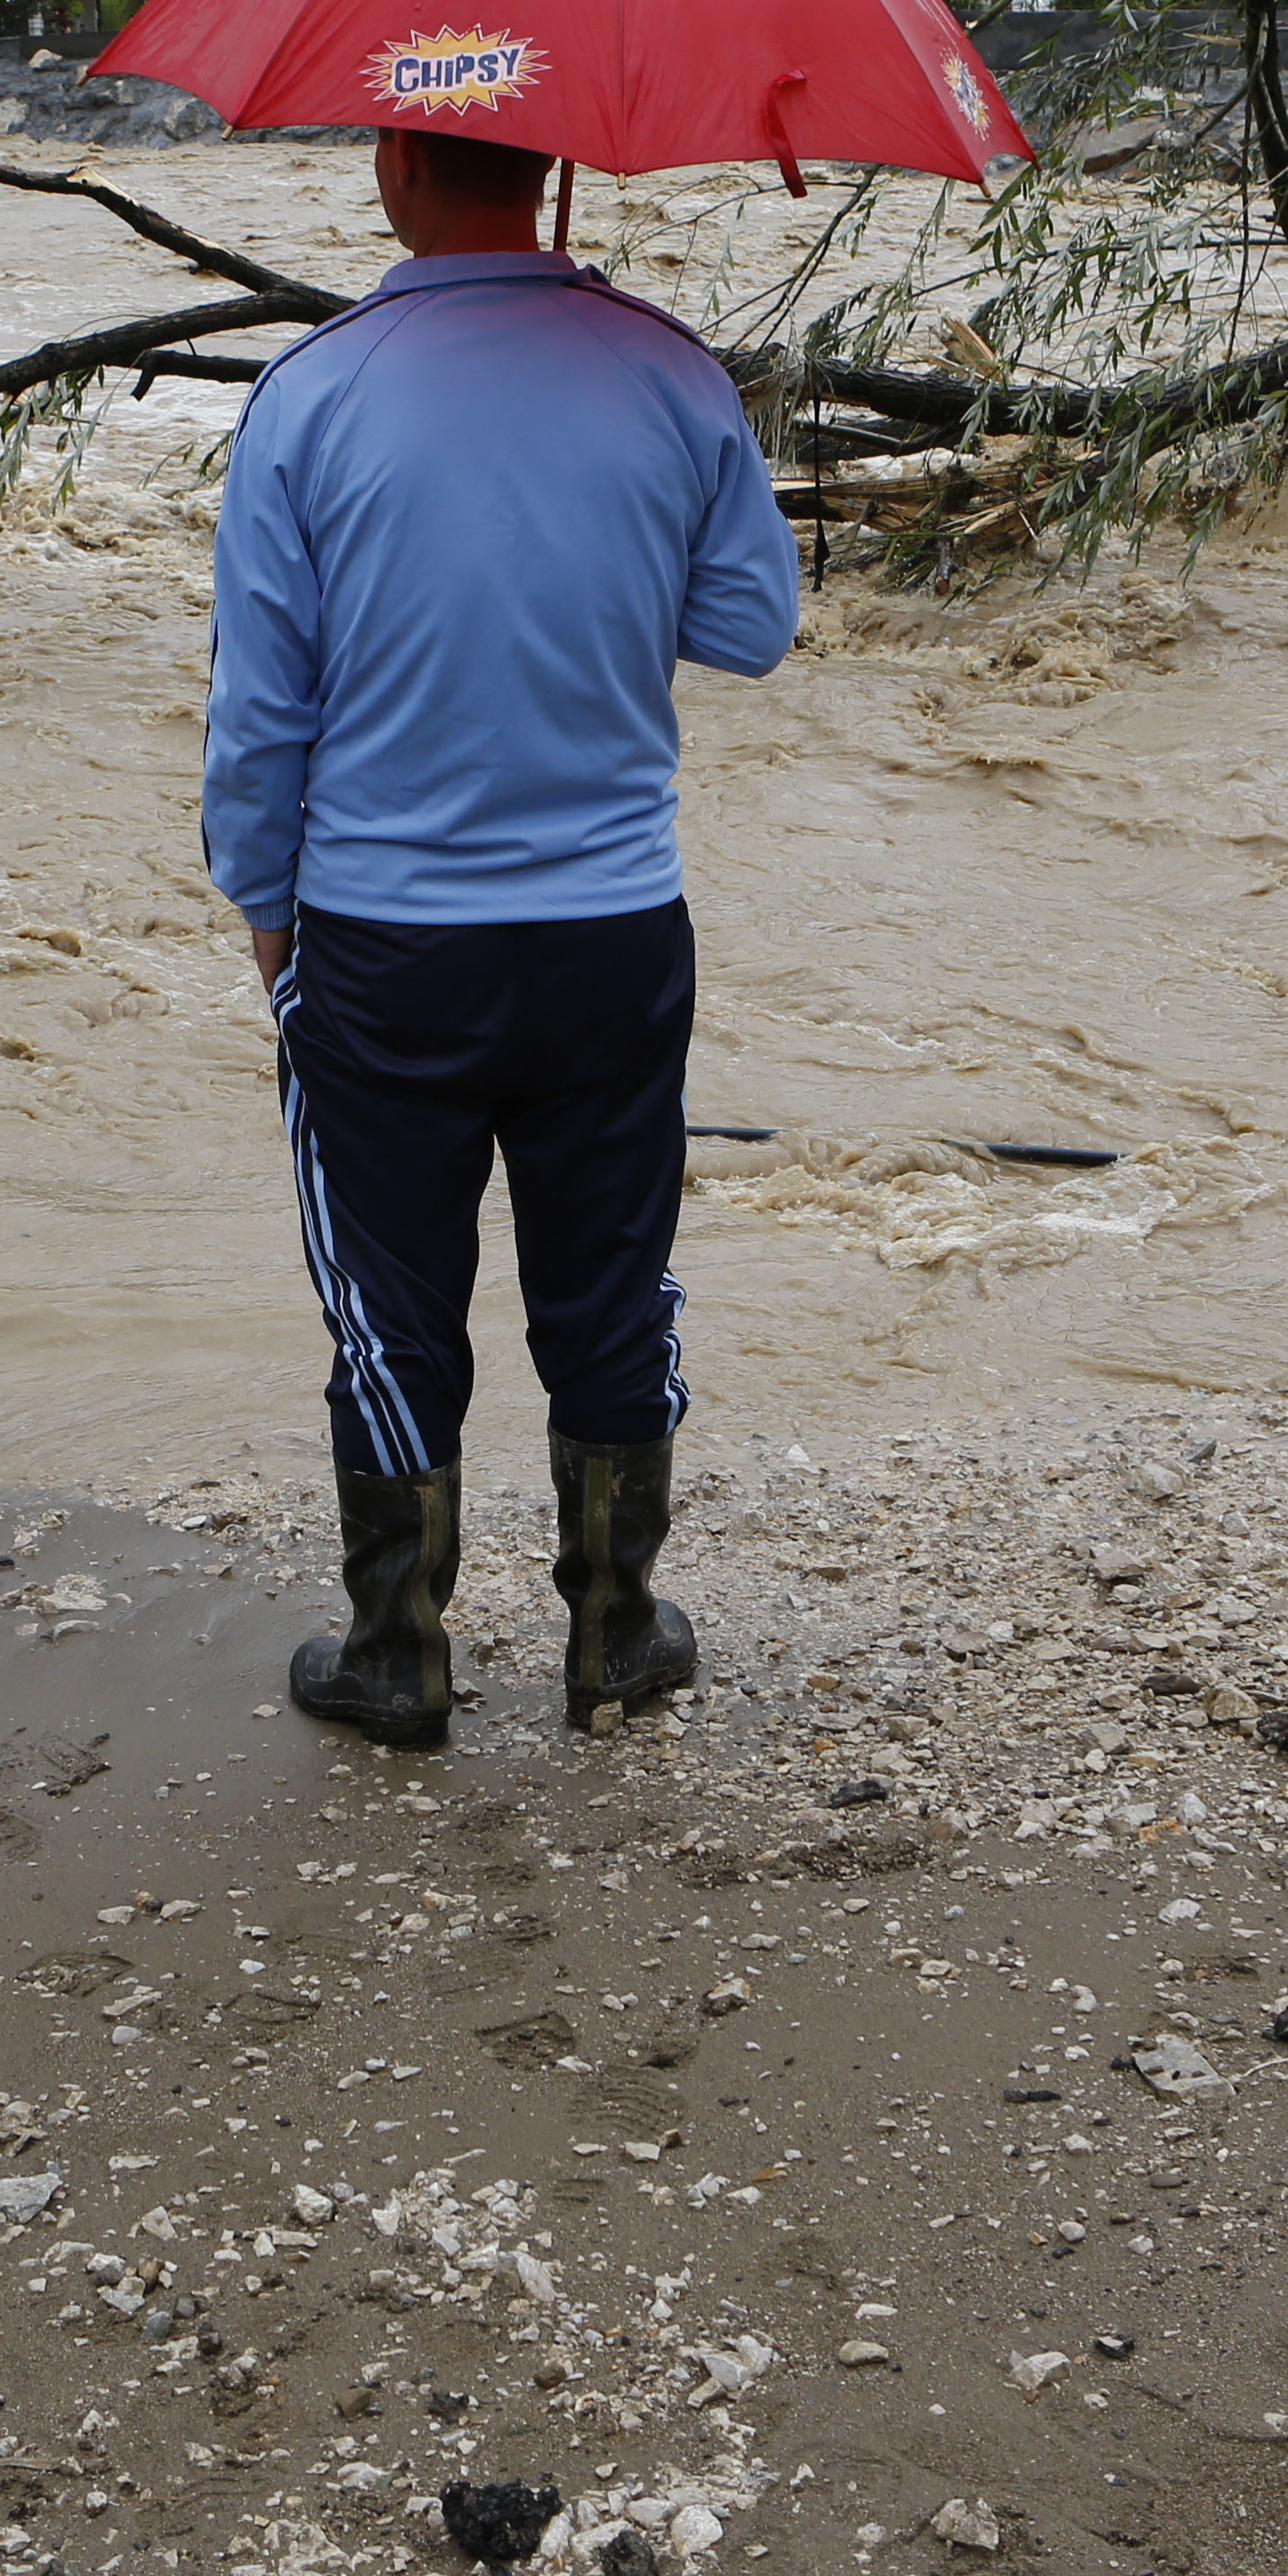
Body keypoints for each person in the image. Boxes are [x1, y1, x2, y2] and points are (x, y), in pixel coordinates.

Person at [200, 124, 801, 1751]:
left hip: (386, 939)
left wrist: (265, 909)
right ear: (550, 168)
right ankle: (615, 1636)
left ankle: (399, 1652)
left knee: (390, 1295)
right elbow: (754, 625)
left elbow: (264, 714)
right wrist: (591, 562)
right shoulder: (668, 372)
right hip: (611, 929)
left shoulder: (312, 394)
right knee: (610, 1285)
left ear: (396, 162)